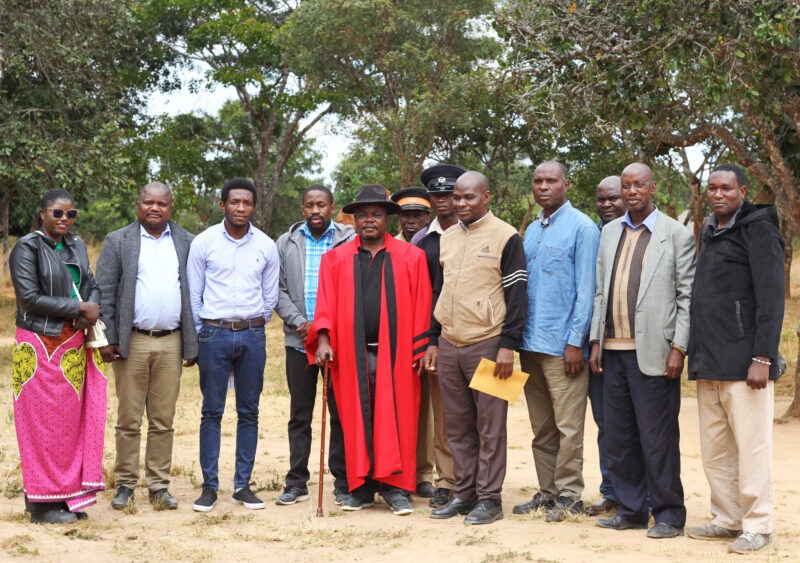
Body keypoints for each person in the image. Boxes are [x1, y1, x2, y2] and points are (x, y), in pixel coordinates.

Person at [306, 184, 431, 516]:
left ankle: (395, 489)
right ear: (355, 219)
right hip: (350, 355)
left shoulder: (412, 258)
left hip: (399, 354)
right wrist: (323, 340)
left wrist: (421, 351)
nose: (369, 220)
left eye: (376, 214)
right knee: (353, 420)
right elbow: (325, 307)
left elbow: (422, 307)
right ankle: (359, 488)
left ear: (388, 218)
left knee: (399, 419)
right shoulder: (335, 260)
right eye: (363, 215)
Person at [589, 163, 695, 539]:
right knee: (619, 436)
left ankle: (668, 514)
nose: (631, 192)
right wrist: (595, 341)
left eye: (638, 185)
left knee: (658, 438)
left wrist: (678, 348)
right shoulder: (609, 232)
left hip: (654, 352)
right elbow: (601, 291)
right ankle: (632, 510)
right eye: (626, 186)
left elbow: (686, 296)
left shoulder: (675, 234)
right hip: (612, 350)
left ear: (653, 188)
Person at [686, 164, 784, 554]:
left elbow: (773, 298)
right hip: (710, 360)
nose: (718, 194)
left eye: (726, 188)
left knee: (752, 447)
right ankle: (727, 519)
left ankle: (758, 525)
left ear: (742, 191)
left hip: (747, 365)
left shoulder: (758, 229)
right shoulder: (710, 230)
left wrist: (762, 356)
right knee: (716, 449)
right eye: (712, 188)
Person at [426, 171, 528, 525]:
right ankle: (463, 494)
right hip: (450, 343)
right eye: (457, 197)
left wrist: (508, 345)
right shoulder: (448, 238)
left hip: (489, 344)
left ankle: (490, 498)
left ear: (486, 197)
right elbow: (440, 290)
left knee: (490, 427)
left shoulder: (507, 236)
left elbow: (517, 295)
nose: (461, 204)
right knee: (457, 426)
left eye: (469, 197)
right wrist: (433, 339)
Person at [96, 182, 198, 511]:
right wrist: (109, 338)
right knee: (128, 418)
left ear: (172, 207)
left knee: (163, 419)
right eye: (148, 202)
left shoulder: (186, 241)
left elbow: (193, 293)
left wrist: (191, 345)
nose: (154, 208)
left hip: (172, 341)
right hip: (131, 342)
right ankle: (125, 484)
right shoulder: (118, 240)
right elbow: (105, 293)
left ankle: (158, 486)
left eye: (162, 203)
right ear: (137, 204)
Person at [9, 189, 105, 524]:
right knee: (41, 424)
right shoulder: (27, 247)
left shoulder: (76, 245)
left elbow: (91, 284)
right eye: (57, 213)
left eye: (70, 214)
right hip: (38, 344)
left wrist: (87, 312)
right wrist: (78, 308)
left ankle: (61, 496)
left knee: (66, 425)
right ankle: (39, 504)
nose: (64, 219)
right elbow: (30, 297)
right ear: (42, 214)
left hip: (72, 344)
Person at [187, 177, 280, 513]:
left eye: (247, 203)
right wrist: (203, 333)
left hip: (253, 335)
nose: (241, 208)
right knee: (212, 411)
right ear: (223, 204)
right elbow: (194, 294)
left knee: (249, 412)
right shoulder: (204, 242)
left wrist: (253, 326)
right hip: (214, 333)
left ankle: (242, 485)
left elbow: (270, 296)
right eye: (235, 202)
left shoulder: (266, 245)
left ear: (254, 206)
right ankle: (209, 487)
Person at [513, 161, 599, 522]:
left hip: (563, 347)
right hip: (530, 344)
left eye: (551, 181)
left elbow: (586, 290)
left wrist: (575, 341)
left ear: (567, 184)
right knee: (541, 426)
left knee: (568, 427)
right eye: (538, 181)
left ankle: (569, 494)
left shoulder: (582, 227)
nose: (543, 187)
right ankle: (548, 491)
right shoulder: (532, 230)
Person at [274, 185, 354, 506]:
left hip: (339, 343)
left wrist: (328, 327)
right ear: (302, 208)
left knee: (340, 413)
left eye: (322, 204)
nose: (315, 211)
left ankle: (343, 480)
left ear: (332, 207)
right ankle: (296, 481)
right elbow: (277, 290)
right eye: (309, 205)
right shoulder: (287, 241)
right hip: (299, 340)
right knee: (300, 414)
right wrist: (301, 322)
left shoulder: (349, 239)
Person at [409, 164, 465, 509]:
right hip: (436, 338)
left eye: (450, 194)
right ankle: (446, 481)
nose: (443, 200)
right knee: (444, 416)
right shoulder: (421, 240)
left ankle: (478, 481)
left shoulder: (476, 231)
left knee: (479, 415)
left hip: (476, 336)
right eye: (438, 195)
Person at [585, 175, 625, 517]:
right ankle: (611, 491)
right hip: (595, 347)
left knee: (635, 423)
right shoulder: (592, 235)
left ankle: (640, 492)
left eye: (614, 197)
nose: (607, 204)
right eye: (601, 199)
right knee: (605, 423)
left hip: (632, 346)